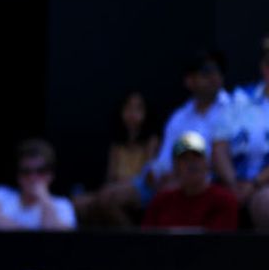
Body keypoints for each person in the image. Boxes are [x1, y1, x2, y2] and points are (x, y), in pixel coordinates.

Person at [92, 50, 230, 226]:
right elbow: (164, 159)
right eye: (205, 71)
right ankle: (138, 245)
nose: (213, 76)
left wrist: (182, 176)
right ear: (189, 80)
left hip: (205, 181)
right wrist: (155, 172)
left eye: (217, 71)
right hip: (172, 179)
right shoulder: (180, 116)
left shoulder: (235, 108)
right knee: (106, 197)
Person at [73, 90, 160, 227]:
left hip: (140, 188)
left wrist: (122, 183)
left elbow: (148, 175)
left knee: (106, 199)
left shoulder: (151, 141)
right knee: (79, 203)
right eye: (128, 108)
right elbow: (111, 176)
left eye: (138, 108)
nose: (132, 113)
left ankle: (133, 239)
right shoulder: (117, 144)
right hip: (115, 187)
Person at [211, 38, 269, 230]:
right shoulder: (239, 98)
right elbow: (219, 146)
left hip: (263, 186)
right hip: (234, 182)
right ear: (263, 67)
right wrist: (234, 183)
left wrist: (255, 183)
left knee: (265, 204)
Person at [143, 131, 239, 232]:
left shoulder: (224, 201)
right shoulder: (161, 202)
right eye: (185, 158)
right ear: (175, 166)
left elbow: (222, 244)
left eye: (197, 157)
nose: (191, 164)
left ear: (207, 163)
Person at [0, 138, 76, 230]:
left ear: (50, 175)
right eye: (26, 172)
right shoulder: (1, 194)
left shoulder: (63, 205)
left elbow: (59, 238)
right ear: (18, 175)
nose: (33, 178)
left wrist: (44, 200)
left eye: (40, 171)